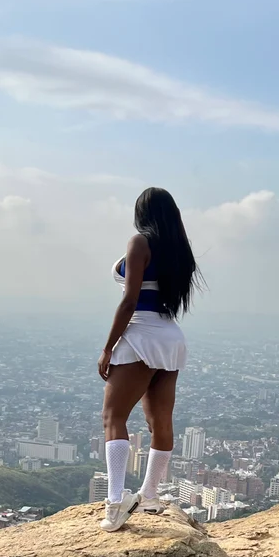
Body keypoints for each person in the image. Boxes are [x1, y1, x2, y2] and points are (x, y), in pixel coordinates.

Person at [97, 187, 202, 532]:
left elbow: (130, 301)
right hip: (170, 338)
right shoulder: (179, 251)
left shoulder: (140, 242)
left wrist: (108, 347)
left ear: (142, 213)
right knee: (161, 421)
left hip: (140, 336)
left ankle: (115, 503)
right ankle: (150, 496)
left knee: (113, 417)